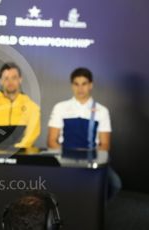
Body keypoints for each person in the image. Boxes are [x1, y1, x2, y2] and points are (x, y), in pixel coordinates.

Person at [47, 67, 121, 199]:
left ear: (90, 85)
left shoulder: (101, 110)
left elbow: (105, 145)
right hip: (66, 160)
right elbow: (52, 141)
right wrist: (68, 158)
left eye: (84, 84)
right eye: (76, 84)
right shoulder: (60, 107)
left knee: (115, 184)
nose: (80, 88)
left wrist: (88, 160)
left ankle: (96, 211)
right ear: (72, 86)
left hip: (92, 160)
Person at [0, 62, 40, 148]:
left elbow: (32, 134)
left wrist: (17, 151)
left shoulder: (32, 107)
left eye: (14, 78)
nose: (10, 82)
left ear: (20, 79)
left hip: (23, 156)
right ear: (0, 81)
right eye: (6, 78)